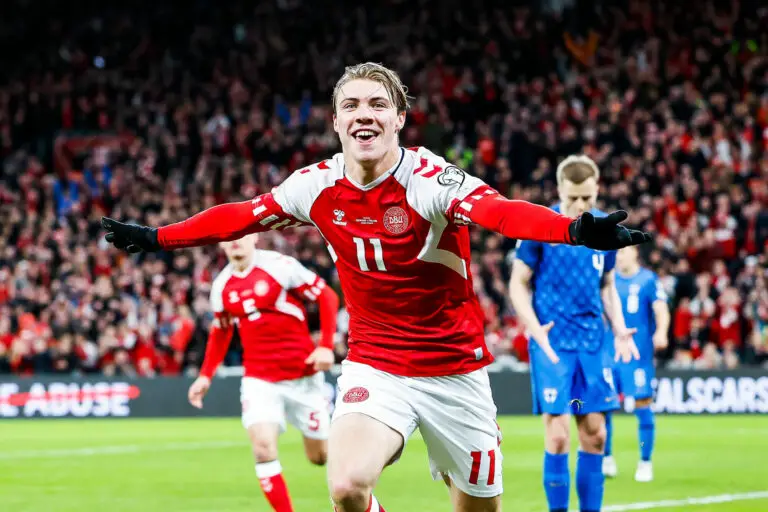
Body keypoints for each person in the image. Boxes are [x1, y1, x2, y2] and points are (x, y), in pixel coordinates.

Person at [102, 62, 651, 512]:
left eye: (377, 104)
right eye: (351, 105)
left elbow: (502, 213)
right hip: (377, 363)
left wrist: (573, 230)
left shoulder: (431, 181)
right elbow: (241, 216)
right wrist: (157, 238)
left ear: (400, 118)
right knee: (346, 486)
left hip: (454, 368)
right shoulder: (315, 186)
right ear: (336, 122)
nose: (364, 114)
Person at [509, 155, 640, 512]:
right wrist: (532, 326)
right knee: (557, 435)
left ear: (597, 190)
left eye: (587, 198)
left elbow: (607, 284)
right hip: (553, 343)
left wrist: (619, 326)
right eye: (573, 198)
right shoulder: (541, 226)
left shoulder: (605, 228)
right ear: (559, 190)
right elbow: (518, 283)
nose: (581, 205)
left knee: (595, 435)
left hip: (593, 342)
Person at [187, 233, 339, 512]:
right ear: (221, 243)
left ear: (255, 236)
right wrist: (205, 375)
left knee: (319, 456)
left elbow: (327, 296)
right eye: (228, 236)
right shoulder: (221, 286)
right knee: (262, 448)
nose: (235, 240)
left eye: (241, 234)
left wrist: (326, 346)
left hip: (303, 378)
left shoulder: (280, 266)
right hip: (259, 380)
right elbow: (221, 331)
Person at [602, 245, 669, 483]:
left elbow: (661, 308)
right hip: (609, 353)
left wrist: (661, 332)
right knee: (604, 406)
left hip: (638, 355)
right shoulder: (608, 279)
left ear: (635, 253)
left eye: (623, 251)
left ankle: (645, 461)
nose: (618, 256)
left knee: (642, 406)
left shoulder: (648, 280)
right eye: (616, 252)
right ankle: (606, 458)